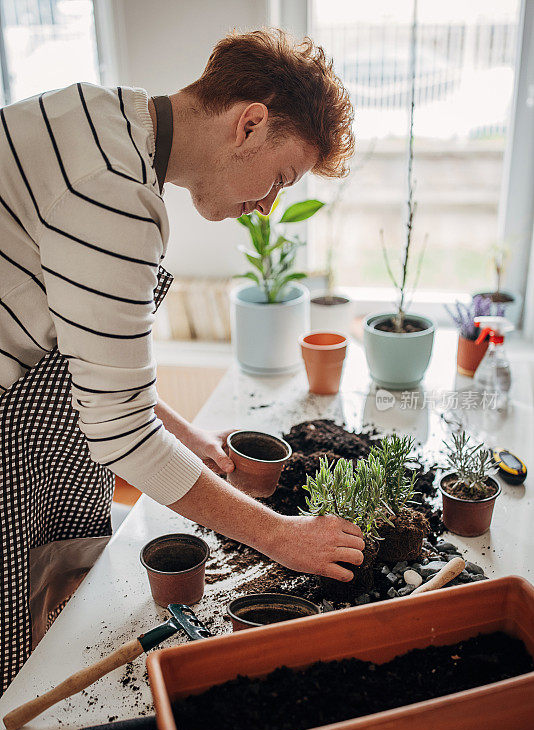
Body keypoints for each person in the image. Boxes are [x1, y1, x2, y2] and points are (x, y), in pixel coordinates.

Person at [0, 28, 361, 693]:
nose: (267, 207)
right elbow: (123, 436)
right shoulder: (114, 197)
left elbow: (77, 348)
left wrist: (187, 437)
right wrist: (282, 537)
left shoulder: (96, 117)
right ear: (248, 124)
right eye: (279, 178)